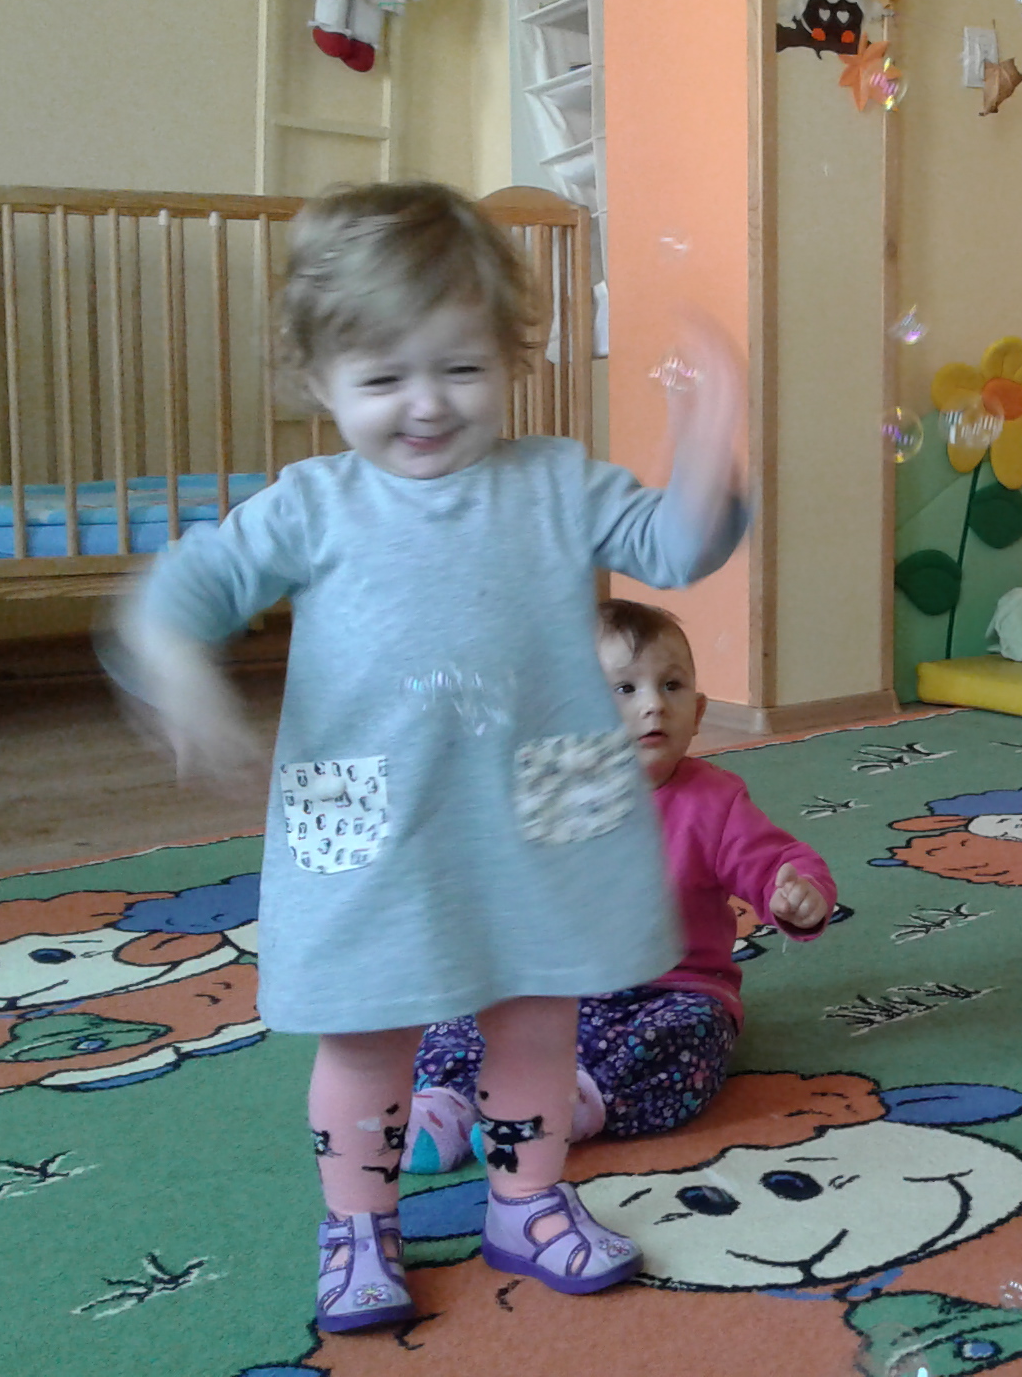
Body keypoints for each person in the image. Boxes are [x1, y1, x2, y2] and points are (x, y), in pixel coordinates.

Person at [107, 181, 747, 1332]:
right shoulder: (311, 504)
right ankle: (359, 1225)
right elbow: (185, 589)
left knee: (537, 1017)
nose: (426, 404)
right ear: (319, 381)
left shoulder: (554, 481)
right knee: (367, 1035)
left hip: (535, 823)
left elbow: (677, 543)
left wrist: (707, 443)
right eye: (382, 378)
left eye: (459, 367)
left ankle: (526, 1200)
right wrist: (179, 667)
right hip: (373, 830)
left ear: (509, 358)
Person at [404, 599, 834, 1173]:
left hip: (668, 992)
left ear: (699, 711)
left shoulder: (715, 801)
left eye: (672, 686)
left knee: (693, 1038)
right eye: (624, 690)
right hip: (548, 988)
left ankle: (569, 1106)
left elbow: (777, 860)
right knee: (456, 1013)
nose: (654, 705)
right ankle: (446, 1105)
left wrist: (798, 893)